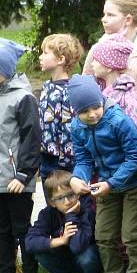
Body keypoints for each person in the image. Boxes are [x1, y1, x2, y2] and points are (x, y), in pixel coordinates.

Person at [68, 74, 137, 273]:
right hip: (106, 185)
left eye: (96, 107)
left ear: (102, 101)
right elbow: (84, 160)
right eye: (85, 112)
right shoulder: (77, 127)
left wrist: (112, 183)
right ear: (77, 112)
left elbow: (136, 157)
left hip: (136, 183)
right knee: (103, 234)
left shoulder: (118, 121)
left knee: (131, 234)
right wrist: (78, 178)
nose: (92, 114)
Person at [0, 38, 41, 273]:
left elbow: (32, 138)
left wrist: (24, 174)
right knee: (1, 230)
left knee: (22, 229)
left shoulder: (23, 97)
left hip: (16, 180)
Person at [25, 169, 101, 273]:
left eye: (70, 195)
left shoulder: (87, 210)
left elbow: (78, 246)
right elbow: (29, 242)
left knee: (87, 256)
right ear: (52, 202)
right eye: (60, 198)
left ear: (77, 193)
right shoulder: (48, 214)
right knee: (41, 252)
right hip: (65, 257)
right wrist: (60, 240)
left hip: (87, 257)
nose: (67, 202)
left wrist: (71, 215)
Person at [38, 33, 83, 182]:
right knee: (50, 203)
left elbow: (68, 129)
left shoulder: (67, 91)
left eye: (45, 53)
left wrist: (65, 164)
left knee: (64, 203)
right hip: (46, 158)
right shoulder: (47, 87)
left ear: (60, 60)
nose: (41, 57)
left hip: (62, 162)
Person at [89, 33, 137, 129]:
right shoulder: (96, 89)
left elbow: (135, 130)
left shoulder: (127, 98)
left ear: (109, 67)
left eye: (96, 60)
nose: (92, 64)